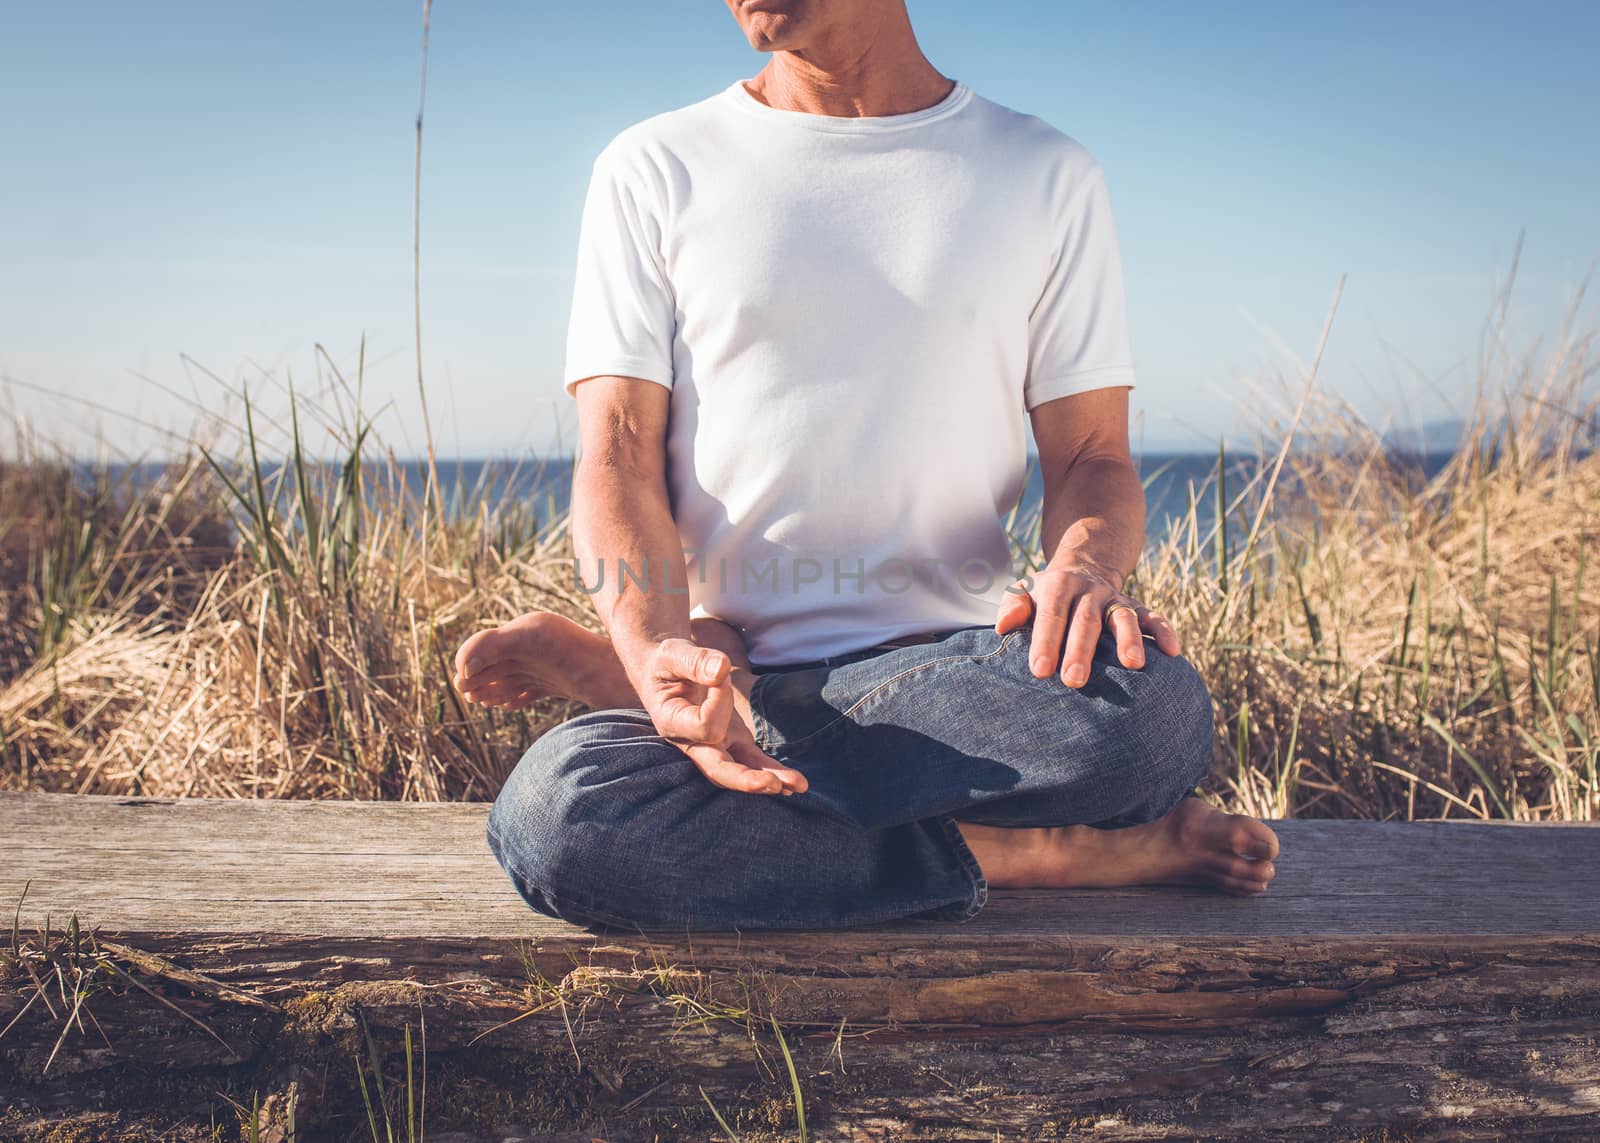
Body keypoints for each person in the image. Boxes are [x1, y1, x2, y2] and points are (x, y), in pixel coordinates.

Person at [455, 0, 1280, 930]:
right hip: (727, 652)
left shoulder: (1044, 174)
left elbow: (1092, 455)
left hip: (966, 680)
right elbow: (616, 452)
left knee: (1154, 714)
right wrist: (654, 651)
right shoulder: (653, 168)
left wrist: (1083, 572)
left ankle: (736, 714)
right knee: (561, 817)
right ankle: (1024, 851)